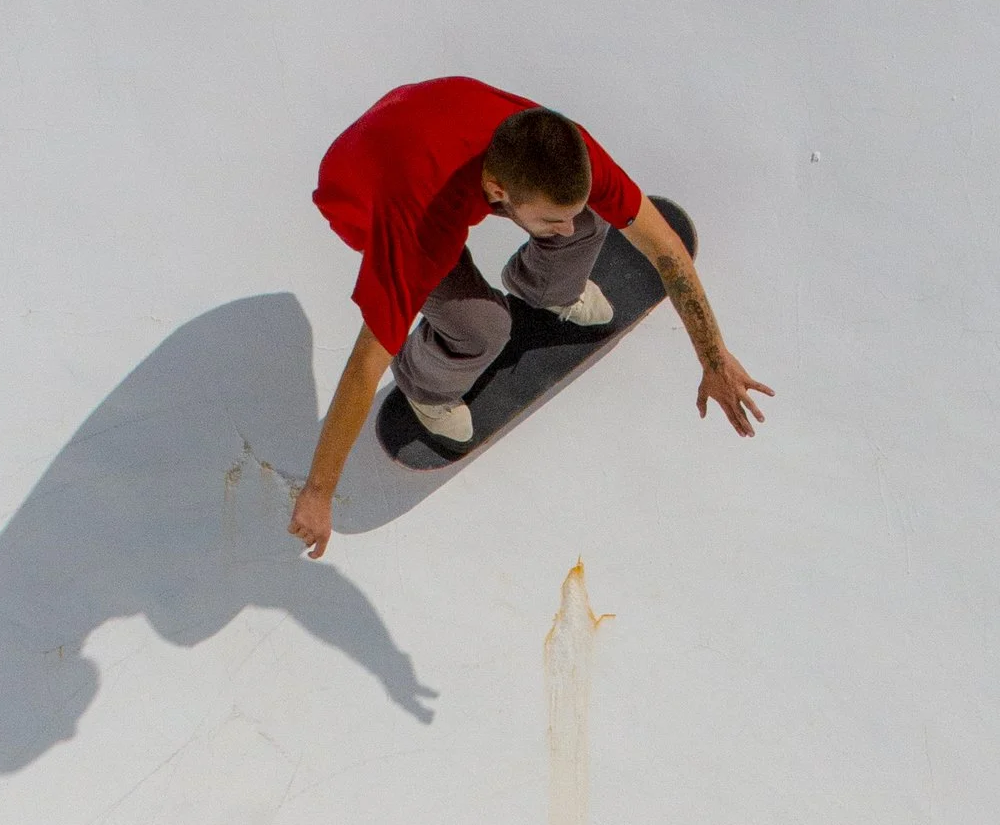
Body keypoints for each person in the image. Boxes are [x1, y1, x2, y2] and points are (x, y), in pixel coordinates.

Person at [290, 79, 771, 558]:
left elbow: (665, 249)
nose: (565, 229)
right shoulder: (417, 227)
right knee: (483, 328)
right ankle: (426, 388)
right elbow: (365, 363)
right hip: (363, 192)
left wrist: (714, 358)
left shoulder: (570, 150)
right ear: (497, 192)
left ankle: (547, 287)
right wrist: (318, 492)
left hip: (423, 122)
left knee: (592, 216)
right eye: (549, 222)